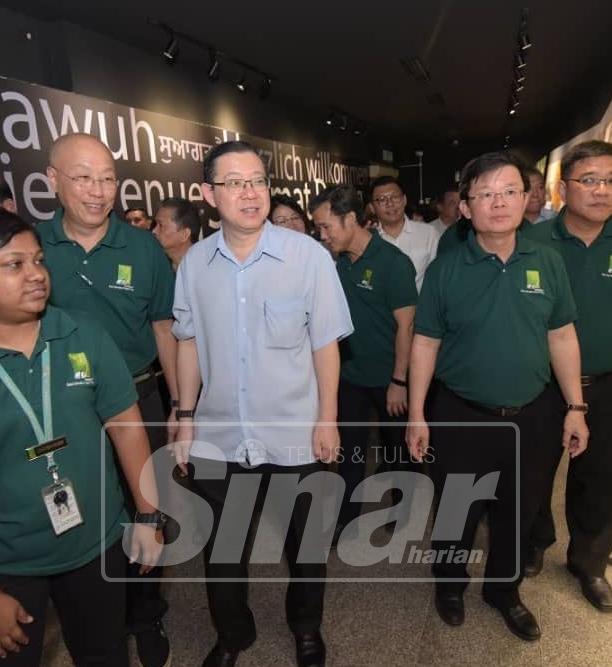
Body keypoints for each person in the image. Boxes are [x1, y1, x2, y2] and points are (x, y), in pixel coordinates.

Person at [0, 208, 163, 666]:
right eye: (14, 265)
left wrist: (148, 515)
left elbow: (127, 427)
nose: (36, 275)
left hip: (96, 545)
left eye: (38, 261)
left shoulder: (84, 335)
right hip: (1, 563)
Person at [172, 140, 353, 667]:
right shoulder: (195, 265)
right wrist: (184, 418)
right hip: (221, 432)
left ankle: (306, 627)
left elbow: (325, 345)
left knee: (306, 545)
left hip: (295, 430)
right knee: (224, 551)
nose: (249, 193)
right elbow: (187, 341)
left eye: (257, 181)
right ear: (209, 194)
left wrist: (328, 419)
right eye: (234, 183)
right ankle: (232, 635)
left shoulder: (308, 257)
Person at [405, 152, 589, 642]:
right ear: (465, 208)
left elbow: (563, 336)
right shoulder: (447, 268)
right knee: (457, 508)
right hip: (462, 413)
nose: (499, 202)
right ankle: (449, 584)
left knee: (520, 508)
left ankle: (504, 592)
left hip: (533, 414)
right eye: (484, 194)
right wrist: (417, 413)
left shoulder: (547, 261)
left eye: (509, 190)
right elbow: (425, 342)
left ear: (527, 198)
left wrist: (575, 407)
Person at [38, 133, 176, 667]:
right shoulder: (30, 247)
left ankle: (147, 611)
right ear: (53, 181)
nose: (98, 192)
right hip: (63, 410)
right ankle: (101, 622)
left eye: (108, 179)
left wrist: (181, 407)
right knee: (83, 514)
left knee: (149, 509)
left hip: (140, 397)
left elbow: (164, 329)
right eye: (83, 177)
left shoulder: (144, 249)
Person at [522, 140, 612, 612]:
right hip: (539, 384)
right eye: (589, 180)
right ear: (564, 189)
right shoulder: (532, 243)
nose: (601, 190)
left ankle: (589, 564)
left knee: (598, 476)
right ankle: (534, 542)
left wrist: (603, 322)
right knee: (534, 470)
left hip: (606, 382)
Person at [309, 184, 417, 536]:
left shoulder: (393, 263)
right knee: (351, 450)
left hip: (390, 378)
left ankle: (402, 511)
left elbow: (407, 326)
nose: (322, 235)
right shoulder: (336, 264)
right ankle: (348, 516)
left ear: (351, 219)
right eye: (319, 228)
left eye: (327, 227)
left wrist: (399, 381)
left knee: (397, 449)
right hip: (349, 376)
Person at [369, 176, 440, 291]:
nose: (390, 204)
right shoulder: (368, 239)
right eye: (382, 199)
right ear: (372, 207)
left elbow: (438, 278)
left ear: (404, 200)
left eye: (395, 197)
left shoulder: (429, 234)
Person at [152, 196, 201, 271]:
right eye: (155, 224)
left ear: (184, 234)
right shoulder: (155, 267)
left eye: (161, 225)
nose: (154, 231)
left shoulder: (206, 271)